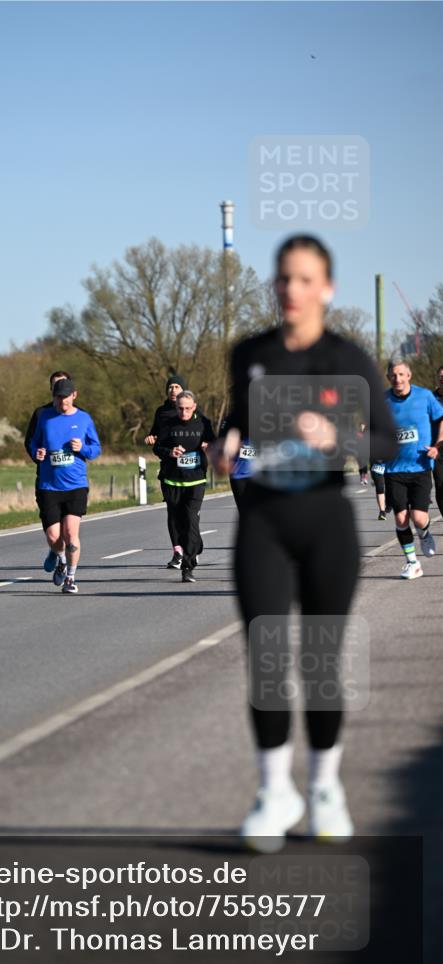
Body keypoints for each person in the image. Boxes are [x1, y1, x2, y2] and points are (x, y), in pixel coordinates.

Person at [210, 234, 397, 852]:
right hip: (263, 519)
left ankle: (323, 789)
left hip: (325, 521)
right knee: (266, 661)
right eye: (283, 279)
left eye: (304, 279)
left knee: (319, 664)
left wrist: (339, 437)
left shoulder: (347, 357)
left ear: (326, 288)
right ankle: (273, 792)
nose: (291, 289)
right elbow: (239, 417)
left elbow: (388, 444)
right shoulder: (250, 353)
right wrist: (226, 444)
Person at [29, 378, 101, 593]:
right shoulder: (45, 418)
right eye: (59, 397)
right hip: (49, 485)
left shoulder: (84, 418)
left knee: (70, 533)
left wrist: (83, 449)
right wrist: (37, 453)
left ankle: (71, 577)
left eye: (66, 397)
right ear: (54, 397)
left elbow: (96, 448)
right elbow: (34, 442)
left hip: (75, 485)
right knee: (53, 536)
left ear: (74, 396)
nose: (63, 402)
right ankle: (60, 559)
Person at [383, 358, 443, 579]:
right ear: (389, 377)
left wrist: (437, 446)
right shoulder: (383, 400)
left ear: (409, 375)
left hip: (419, 466)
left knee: (418, 518)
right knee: (400, 518)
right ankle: (412, 563)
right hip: (393, 468)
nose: (397, 379)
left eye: (401, 374)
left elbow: (441, 418)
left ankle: (425, 533)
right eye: (393, 375)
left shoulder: (425, 396)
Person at [153, 391, 215, 582]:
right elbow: (157, 447)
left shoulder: (203, 423)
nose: (184, 412)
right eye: (180, 408)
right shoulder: (168, 423)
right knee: (179, 522)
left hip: (196, 480)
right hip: (172, 480)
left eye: (188, 408)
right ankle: (195, 543)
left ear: (194, 407)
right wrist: (170, 452)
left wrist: (208, 446)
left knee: (190, 519)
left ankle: (188, 566)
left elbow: (215, 443)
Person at [24, 370, 73, 572]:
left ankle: (60, 555)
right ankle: (57, 551)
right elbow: (29, 442)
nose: (60, 390)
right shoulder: (40, 414)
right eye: (55, 386)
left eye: (63, 385)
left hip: (70, 481)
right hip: (46, 479)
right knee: (51, 523)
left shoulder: (79, 414)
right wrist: (37, 453)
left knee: (67, 525)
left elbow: (91, 445)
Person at [145, 374, 188, 568]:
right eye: (170, 387)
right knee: (173, 511)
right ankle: (178, 552)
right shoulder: (161, 412)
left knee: (188, 514)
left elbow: (205, 434)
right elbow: (155, 434)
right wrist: (151, 438)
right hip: (169, 469)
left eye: (177, 386)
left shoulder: (193, 410)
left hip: (190, 472)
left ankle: (192, 546)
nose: (173, 390)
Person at [434, 364, 443, 519]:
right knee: (441, 485)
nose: (442, 379)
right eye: (441, 376)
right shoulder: (431, 398)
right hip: (438, 448)